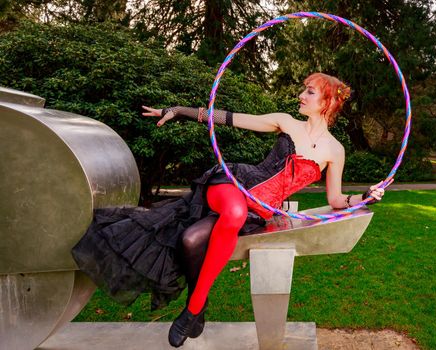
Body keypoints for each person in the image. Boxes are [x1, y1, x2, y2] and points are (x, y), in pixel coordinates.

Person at [71, 72, 385, 348]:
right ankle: (194, 308)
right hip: (234, 185)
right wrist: (181, 111)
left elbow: (336, 200)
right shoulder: (286, 122)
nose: (301, 95)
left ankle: (196, 310)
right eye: (303, 89)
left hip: (258, 209)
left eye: (310, 91)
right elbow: (229, 117)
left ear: (328, 102)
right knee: (232, 214)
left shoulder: (335, 151)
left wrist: (366, 196)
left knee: (192, 239)